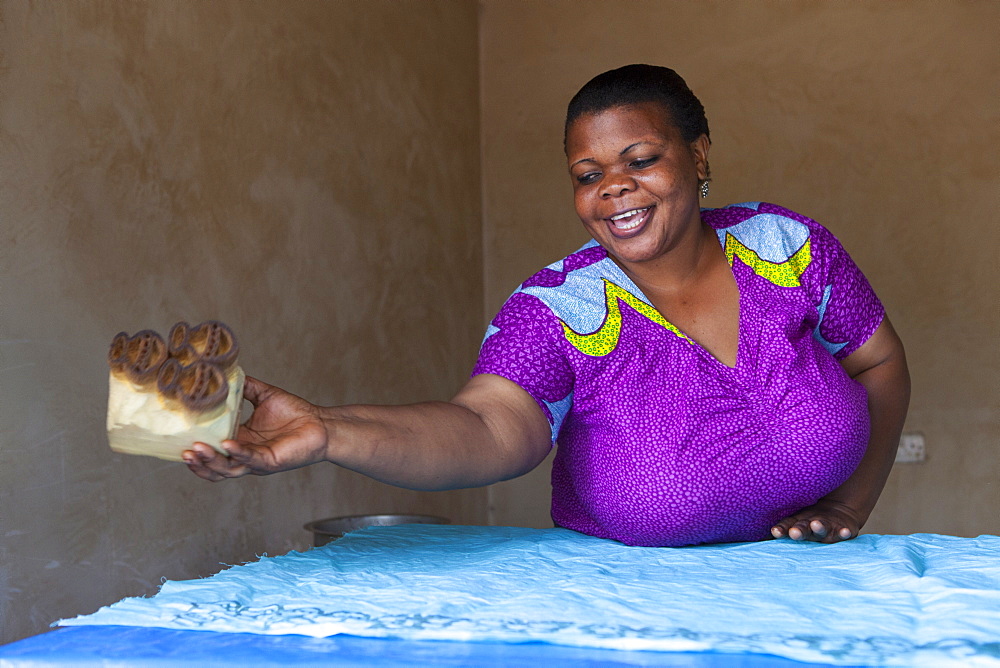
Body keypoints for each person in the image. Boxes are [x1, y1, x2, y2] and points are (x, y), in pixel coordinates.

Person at [184, 65, 910, 547]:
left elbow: (879, 362)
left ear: (698, 154)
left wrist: (851, 504)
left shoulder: (788, 248)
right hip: (629, 623)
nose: (612, 188)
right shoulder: (558, 310)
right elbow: (485, 426)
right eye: (587, 173)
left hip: (807, 600)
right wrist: (328, 430)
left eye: (641, 159)